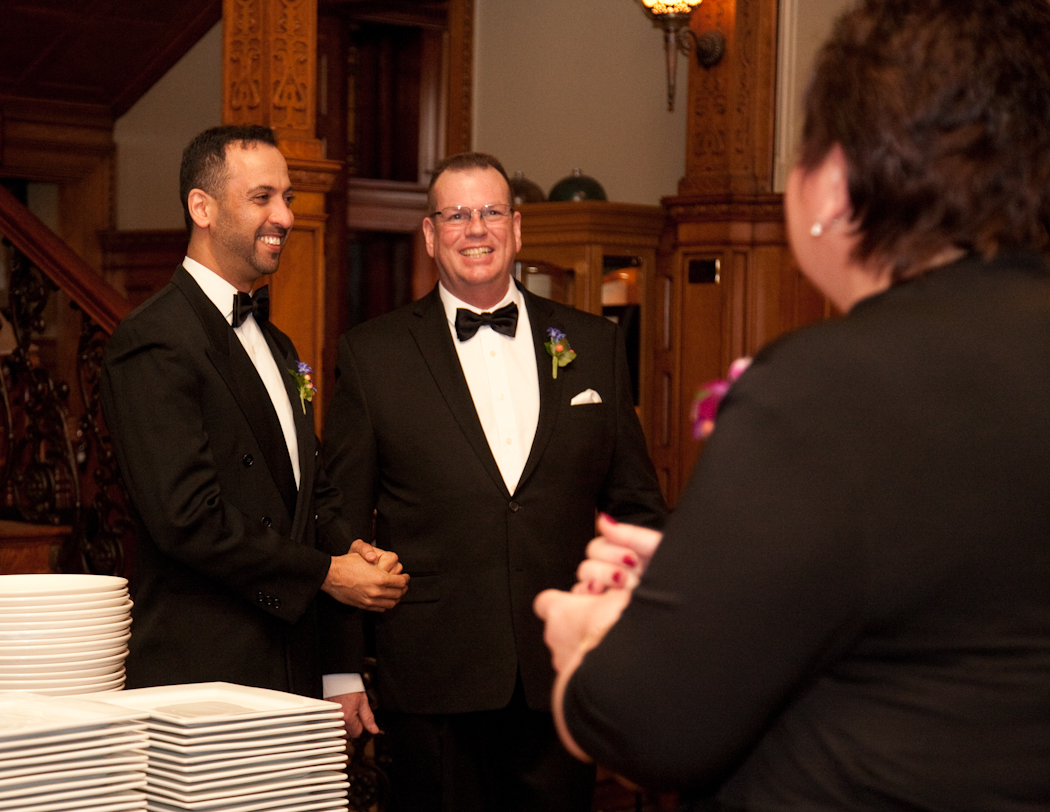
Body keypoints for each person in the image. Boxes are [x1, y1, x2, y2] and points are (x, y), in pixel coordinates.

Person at [535, 0, 1050, 808]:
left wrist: (586, 644)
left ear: (835, 184)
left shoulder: (830, 389)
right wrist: (698, 590)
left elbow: (646, 722)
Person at [322, 152, 667, 812]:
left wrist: (637, 638)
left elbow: (636, 508)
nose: (474, 229)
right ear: (429, 234)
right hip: (432, 675)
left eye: (489, 213)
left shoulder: (592, 345)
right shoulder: (373, 355)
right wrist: (341, 669)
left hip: (562, 671)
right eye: (456, 215)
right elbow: (338, 520)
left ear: (516, 227)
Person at [101, 125, 409, 736]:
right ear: (203, 208)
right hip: (205, 676)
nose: (286, 216)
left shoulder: (278, 342)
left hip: (292, 666)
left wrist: (343, 652)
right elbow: (187, 518)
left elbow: (313, 496)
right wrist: (326, 574)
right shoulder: (154, 338)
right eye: (263, 197)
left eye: (288, 198)